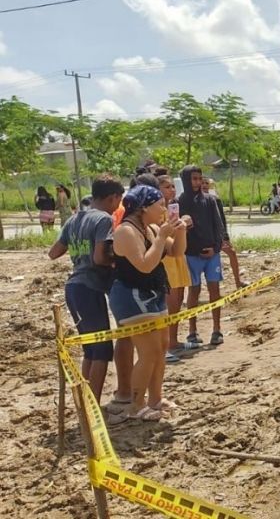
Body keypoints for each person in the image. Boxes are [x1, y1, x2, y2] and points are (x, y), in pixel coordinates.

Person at [109, 185, 187, 421]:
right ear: (144, 207)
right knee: (149, 351)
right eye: (159, 204)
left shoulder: (152, 228)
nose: (163, 208)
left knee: (161, 348)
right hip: (131, 296)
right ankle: (136, 403)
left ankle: (155, 398)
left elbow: (176, 252)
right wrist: (162, 236)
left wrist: (180, 231)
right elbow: (144, 265)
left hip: (153, 293)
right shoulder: (125, 231)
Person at [48, 175, 124, 406]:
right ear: (113, 198)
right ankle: (93, 406)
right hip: (89, 288)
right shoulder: (103, 219)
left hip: (74, 288)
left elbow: (54, 252)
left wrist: (78, 249)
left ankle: (85, 402)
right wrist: (116, 260)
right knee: (101, 350)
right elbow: (99, 257)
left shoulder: (74, 219)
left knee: (90, 348)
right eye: (119, 201)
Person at [178, 165, 226, 347]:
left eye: (199, 178)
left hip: (212, 254)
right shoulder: (179, 202)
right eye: (193, 179)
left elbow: (218, 226)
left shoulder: (210, 200)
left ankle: (217, 329)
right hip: (191, 255)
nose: (197, 182)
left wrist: (215, 248)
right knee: (194, 291)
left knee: (215, 290)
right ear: (186, 180)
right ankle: (192, 331)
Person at [157, 175, 197, 358]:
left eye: (173, 186)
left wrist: (184, 223)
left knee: (177, 301)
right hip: (166, 260)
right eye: (167, 187)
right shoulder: (155, 212)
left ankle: (173, 340)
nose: (171, 190)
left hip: (178, 258)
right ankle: (164, 345)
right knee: (168, 303)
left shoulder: (172, 209)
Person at [201, 177, 244, 288]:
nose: (204, 185)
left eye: (206, 183)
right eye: (202, 183)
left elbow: (222, 220)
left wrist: (225, 237)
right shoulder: (193, 201)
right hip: (202, 238)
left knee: (232, 253)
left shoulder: (215, 199)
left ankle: (238, 282)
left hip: (216, 236)